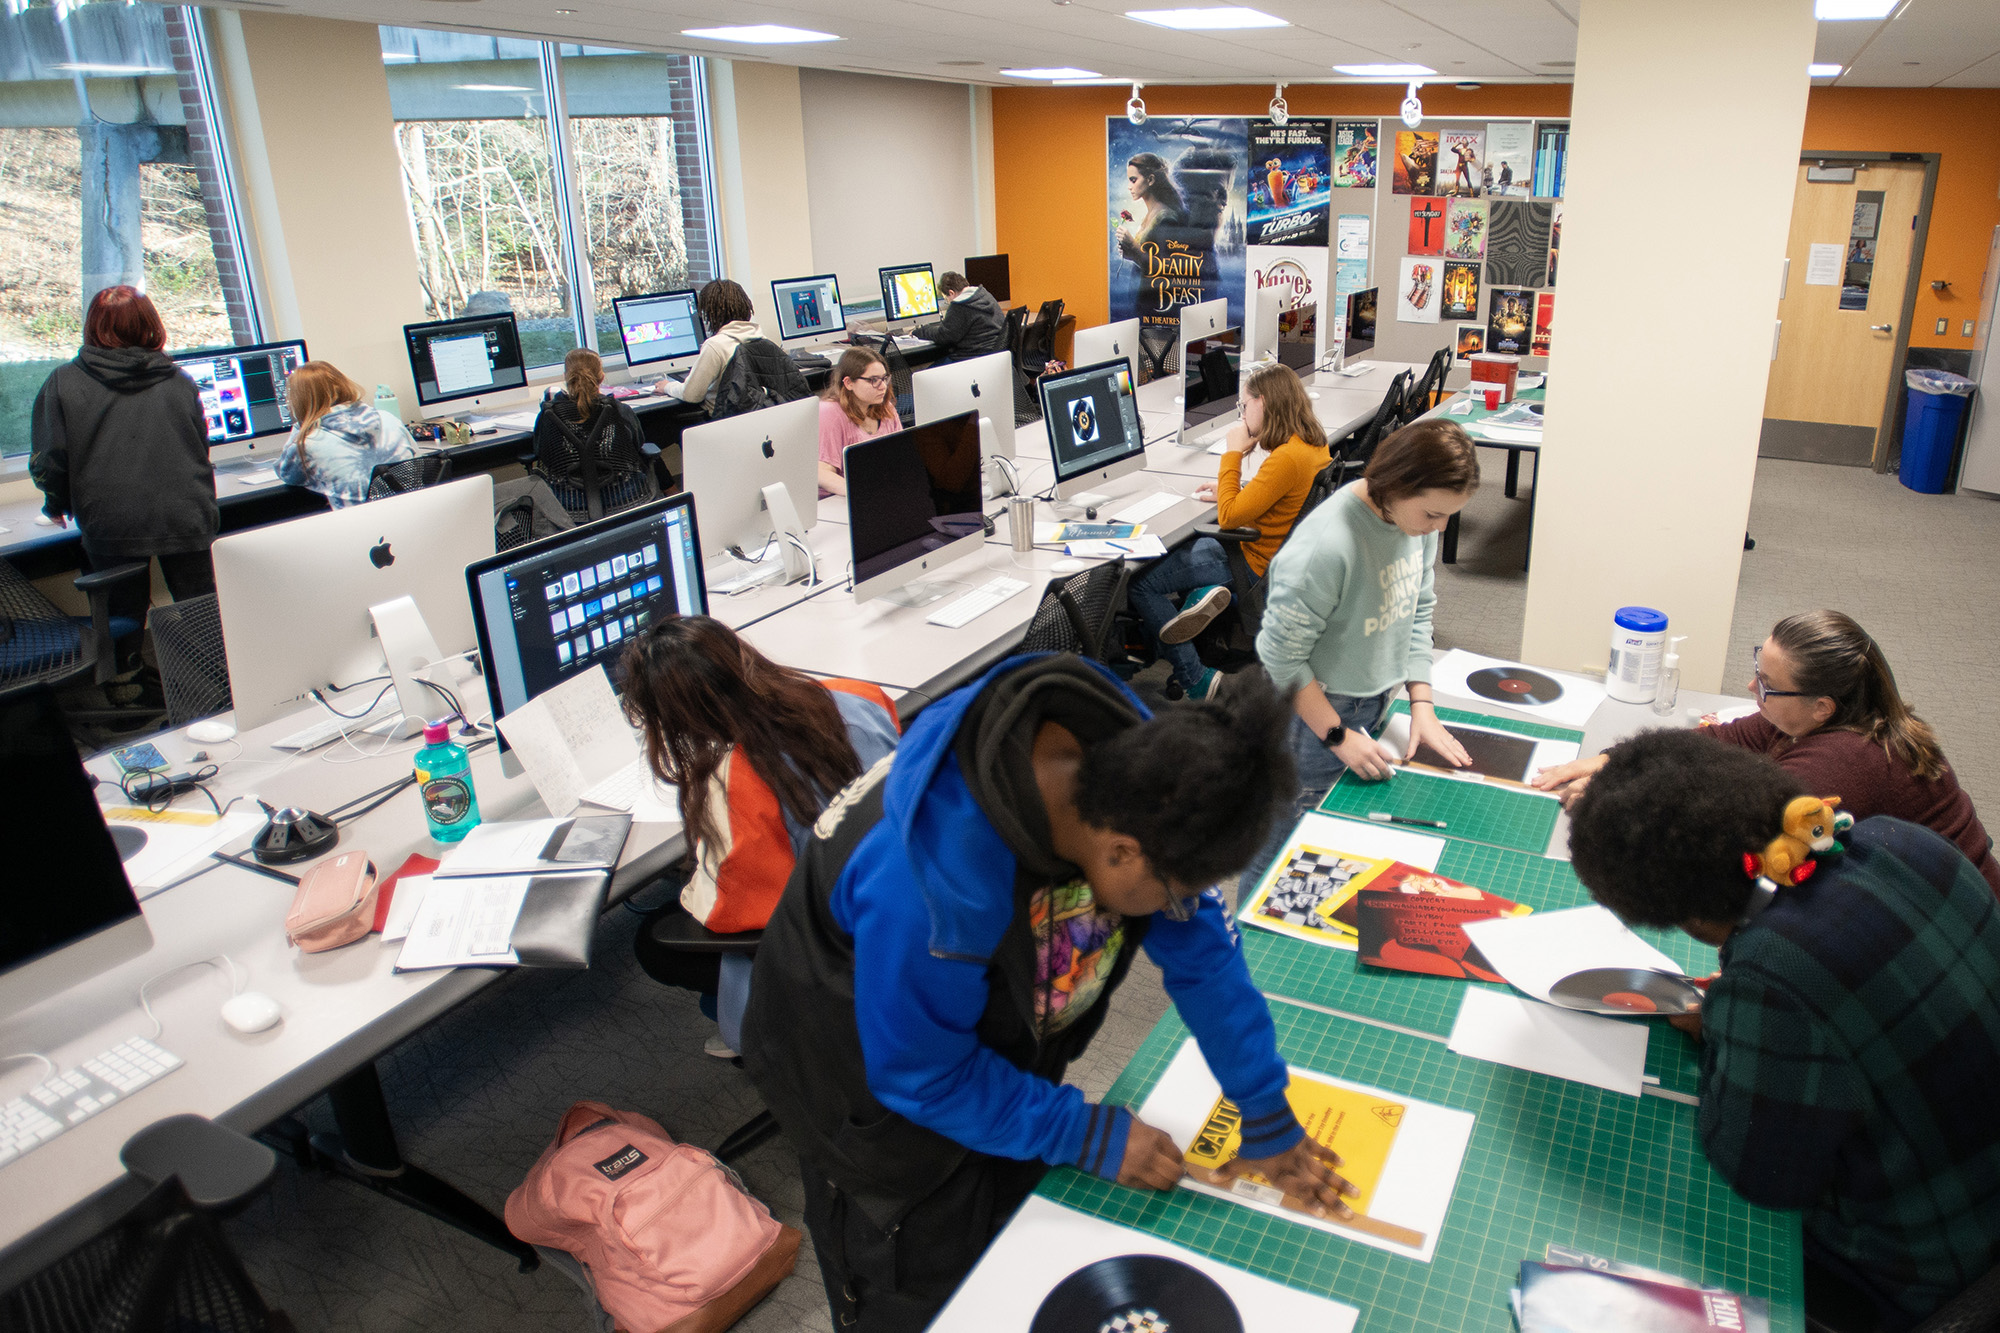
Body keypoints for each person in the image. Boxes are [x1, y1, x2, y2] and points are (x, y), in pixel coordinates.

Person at [742, 657, 1356, 1331]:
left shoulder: (1151, 771)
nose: (1179, 907)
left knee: (1012, 1251)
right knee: (922, 1292)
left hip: (983, 1036)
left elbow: (1205, 957)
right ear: (1122, 853)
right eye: (1172, 891)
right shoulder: (929, 881)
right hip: (863, 1084)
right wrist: (1082, 1130)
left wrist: (1265, 1112)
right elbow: (920, 1073)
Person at [1567, 729, 2000, 1333]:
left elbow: (1760, 1174)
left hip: (1915, 1266)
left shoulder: (1775, 980)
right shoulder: (1896, 839)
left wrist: (1729, 1024)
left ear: (1684, 915)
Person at [1533, 610, 1999, 896]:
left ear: (1822, 707)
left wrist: (1618, 795)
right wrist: (1614, 759)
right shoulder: (1824, 716)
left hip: (1956, 939)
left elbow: (1733, 828)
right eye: (1758, 669)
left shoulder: (1839, 763)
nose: (1751, 687)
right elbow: (1720, 743)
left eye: (1768, 686)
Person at [621, 616, 898, 1056]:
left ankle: (771, 1038)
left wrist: (698, 874)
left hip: (841, 954)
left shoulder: (737, 783)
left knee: (655, 941)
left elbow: (727, 916)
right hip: (907, 906)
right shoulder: (857, 696)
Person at [1249, 419, 1481, 878]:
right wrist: (1336, 735)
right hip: (1313, 714)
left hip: (1373, 697)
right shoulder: (1327, 547)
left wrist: (1423, 705)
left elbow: (1418, 610)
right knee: (1282, 852)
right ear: (1396, 486)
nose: (1440, 526)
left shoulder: (1415, 524)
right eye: (1434, 514)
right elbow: (1280, 658)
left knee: (1335, 847)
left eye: (1449, 515)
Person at [1128, 363, 1331, 701]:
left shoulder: (1286, 458)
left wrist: (1232, 453)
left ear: (1263, 403)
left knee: (1141, 581)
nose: (1242, 414)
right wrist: (1241, 488)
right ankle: (1203, 595)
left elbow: (1228, 515)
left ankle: (1196, 678)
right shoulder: (1311, 445)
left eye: (1244, 405)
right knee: (1184, 547)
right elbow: (1278, 493)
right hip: (1272, 553)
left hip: (1249, 560)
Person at [29, 285, 215, 625]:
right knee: (203, 612)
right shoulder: (179, 380)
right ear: (151, 324)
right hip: (186, 513)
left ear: (93, 326)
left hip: (111, 521)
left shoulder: (63, 383)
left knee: (122, 617)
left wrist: (54, 506)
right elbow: (199, 448)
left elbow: (49, 459)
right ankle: (217, 676)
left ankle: (126, 675)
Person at [273, 362, 416, 508]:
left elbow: (287, 475)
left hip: (360, 525)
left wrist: (301, 426)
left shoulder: (309, 442)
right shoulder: (388, 418)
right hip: (409, 516)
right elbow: (416, 456)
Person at [530, 348, 649, 514]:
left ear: (566, 376)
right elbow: (637, 443)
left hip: (567, 500)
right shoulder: (619, 410)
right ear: (601, 377)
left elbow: (540, 450)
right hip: (623, 494)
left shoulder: (549, 414)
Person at [817, 348, 902, 497]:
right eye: (873, 380)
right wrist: (862, 493)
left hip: (881, 493)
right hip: (839, 499)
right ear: (849, 383)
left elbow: (902, 457)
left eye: (884, 378)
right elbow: (822, 473)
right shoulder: (830, 412)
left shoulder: (886, 409)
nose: (882, 386)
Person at [667, 279, 762, 412]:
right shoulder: (760, 338)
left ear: (711, 314)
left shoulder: (715, 346)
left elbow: (691, 395)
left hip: (721, 421)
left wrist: (667, 386)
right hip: (756, 418)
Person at [912, 271, 1006, 362]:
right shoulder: (984, 294)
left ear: (951, 293)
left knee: (925, 372)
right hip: (996, 355)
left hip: (973, 357)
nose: (948, 302)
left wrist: (920, 331)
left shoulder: (960, 305)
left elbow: (944, 336)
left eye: (946, 299)